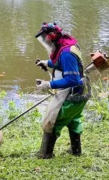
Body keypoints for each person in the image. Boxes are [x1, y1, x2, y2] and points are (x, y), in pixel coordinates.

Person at [34, 22, 90, 159]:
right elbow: (61, 62)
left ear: (51, 38)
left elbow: (72, 79)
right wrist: (46, 63)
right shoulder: (66, 44)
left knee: (51, 121)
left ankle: (45, 153)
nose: (45, 45)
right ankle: (76, 150)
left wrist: (48, 84)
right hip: (81, 92)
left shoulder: (66, 54)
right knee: (73, 120)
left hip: (71, 94)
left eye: (45, 41)